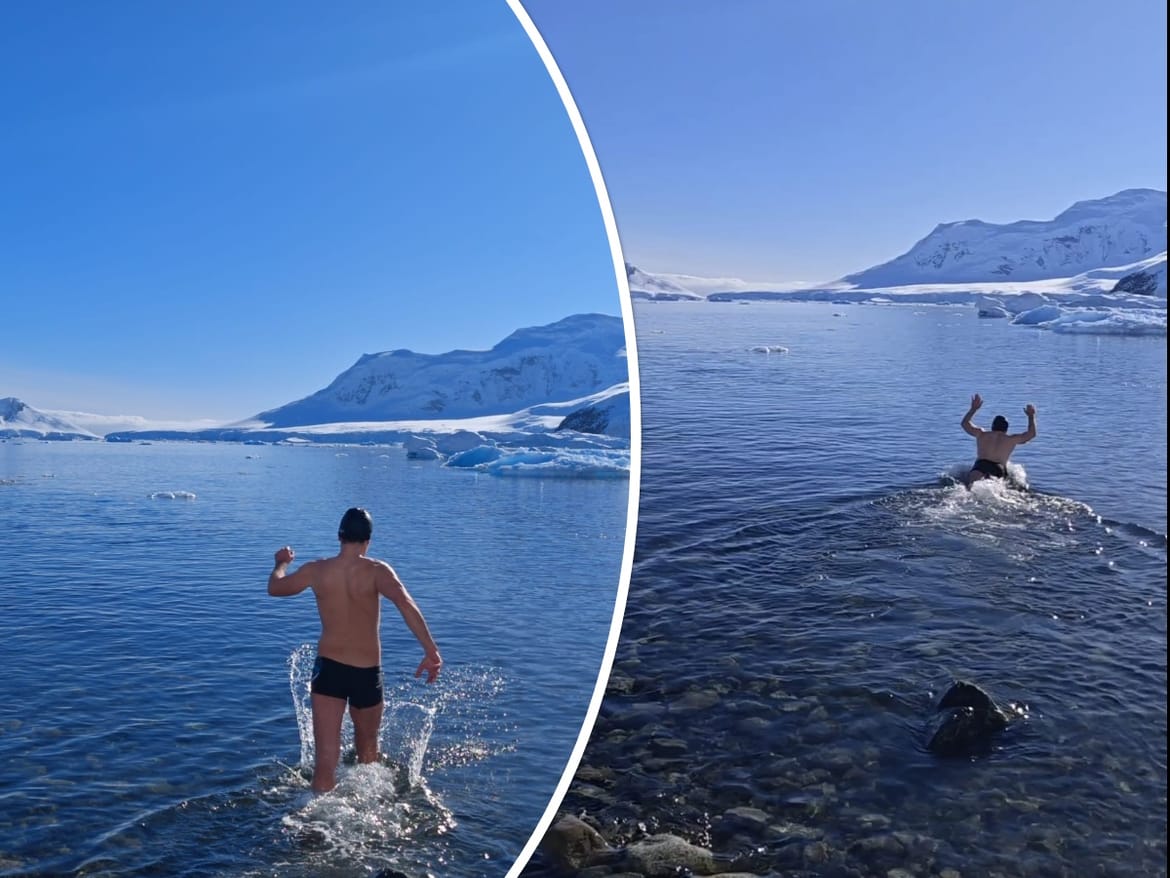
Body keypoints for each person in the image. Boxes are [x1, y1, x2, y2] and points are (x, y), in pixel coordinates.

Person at [267, 507, 442, 793]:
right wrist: (431, 651)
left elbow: (275, 588)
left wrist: (280, 563)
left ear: (339, 536)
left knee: (325, 761)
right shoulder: (377, 571)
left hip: (329, 669)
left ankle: (314, 822)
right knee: (368, 755)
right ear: (368, 541)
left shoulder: (316, 570)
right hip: (366, 673)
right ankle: (368, 813)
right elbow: (407, 605)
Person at [960, 393, 1037, 487]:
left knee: (970, 488)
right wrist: (1031, 416)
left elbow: (965, 423)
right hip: (998, 468)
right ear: (1006, 428)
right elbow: (1031, 434)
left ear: (992, 426)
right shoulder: (1011, 439)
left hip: (980, 466)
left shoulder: (981, 434)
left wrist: (973, 409)